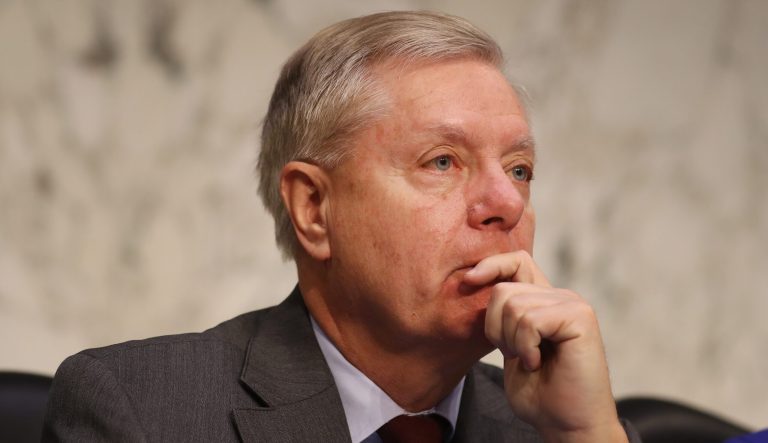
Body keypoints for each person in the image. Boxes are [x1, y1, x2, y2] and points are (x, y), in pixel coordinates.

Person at [43, 11, 640, 442]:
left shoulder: (568, 427)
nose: (505, 202)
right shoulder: (144, 412)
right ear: (313, 209)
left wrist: (584, 435)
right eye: (442, 161)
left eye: (520, 169)